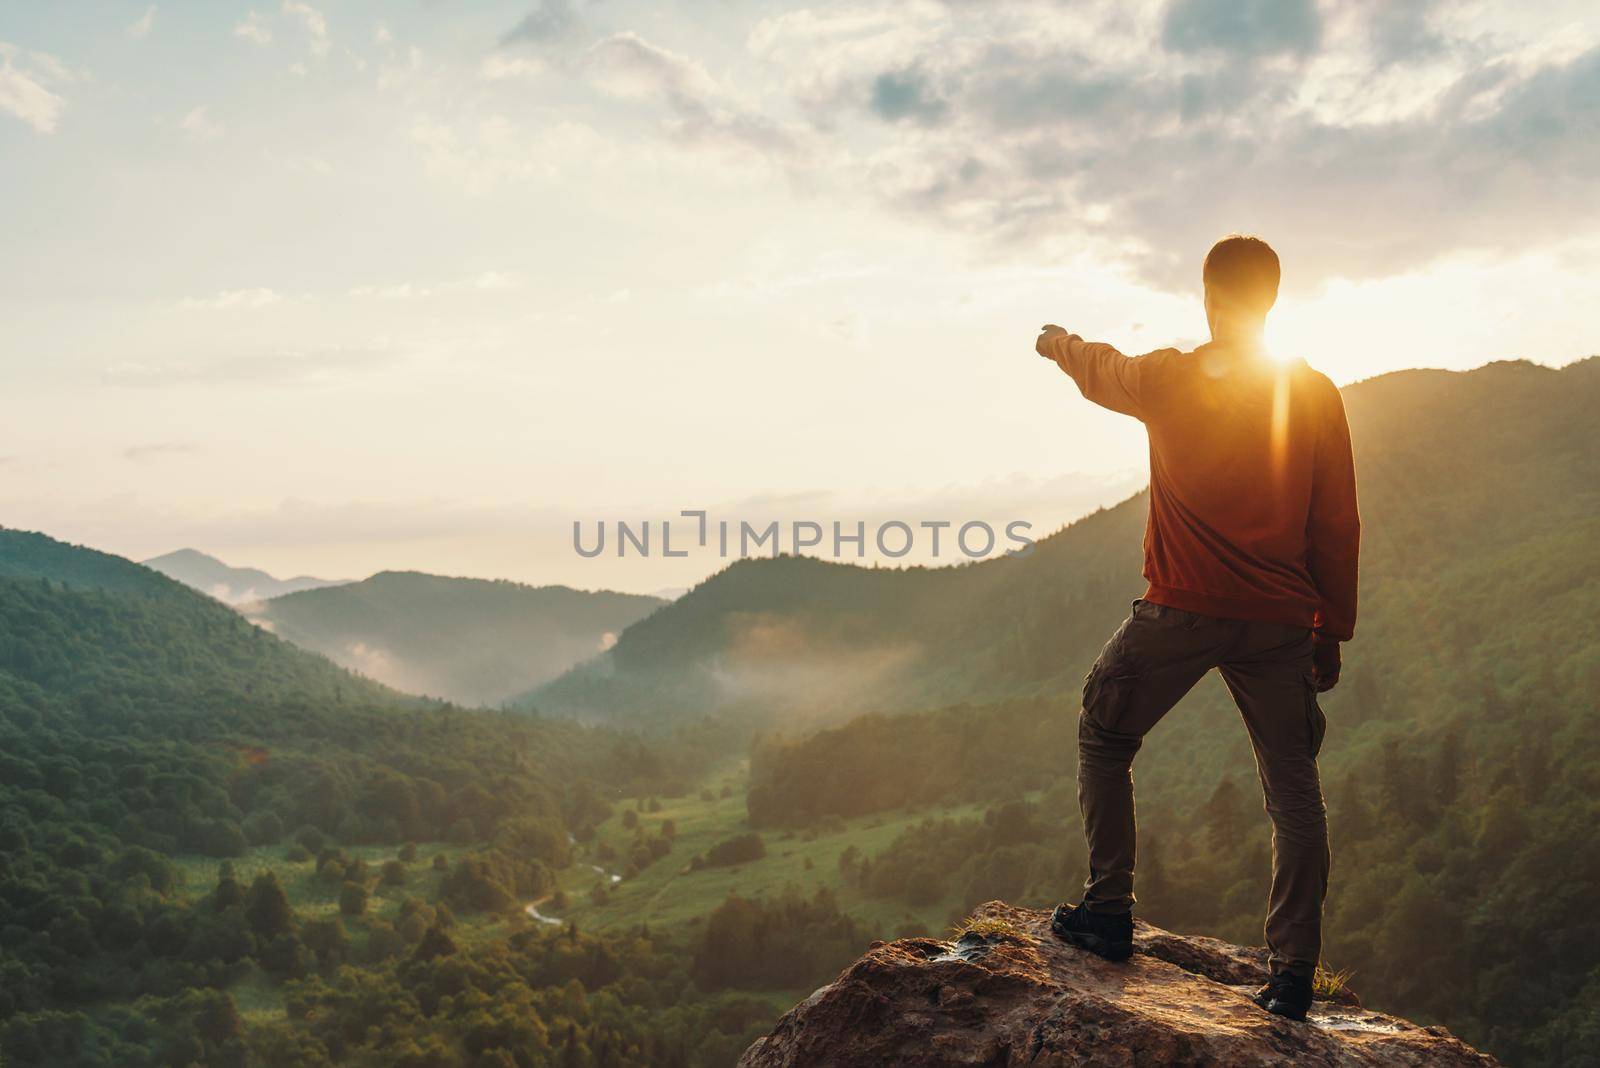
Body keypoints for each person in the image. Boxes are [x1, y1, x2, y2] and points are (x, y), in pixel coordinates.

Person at [1034, 235, 1360, 1022]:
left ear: (1209, 296)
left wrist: (1054, 342)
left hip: (1177, 609)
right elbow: (1337, 521)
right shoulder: (1312, 393)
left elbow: (1100, 367)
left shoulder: (1171, 379)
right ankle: (1292, 974)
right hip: (1281, 622)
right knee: (1293, 789)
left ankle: (1109, 911)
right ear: (1273, 301)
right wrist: (1330, 629)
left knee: (1104, 736)